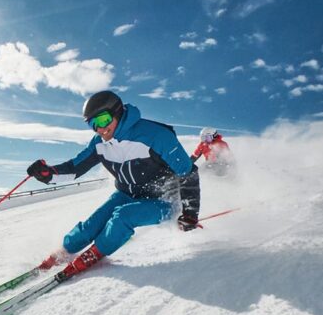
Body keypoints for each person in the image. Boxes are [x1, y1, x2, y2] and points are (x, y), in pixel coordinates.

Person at [27, 90, 200, 278]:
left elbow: (188, 172)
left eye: (103, 120)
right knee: (92, 225)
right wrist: (48, 174)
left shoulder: (155, 135)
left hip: (165, 200)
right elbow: (76, 167)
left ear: (118, 112)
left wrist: (189, 213)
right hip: (126, 194)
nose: (100, 129)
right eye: (93, 125)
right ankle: (63, 252)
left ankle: (96, 253)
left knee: (122, 217)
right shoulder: (99, 143)